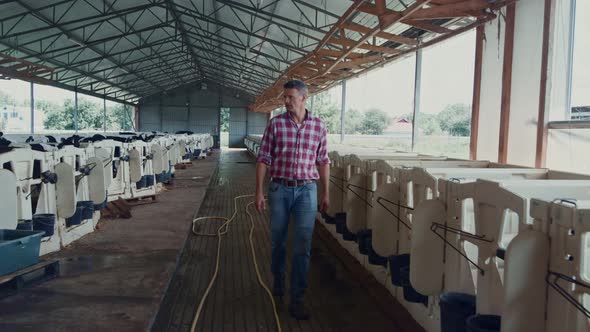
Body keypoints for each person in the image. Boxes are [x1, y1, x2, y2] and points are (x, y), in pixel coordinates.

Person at [255, 79, 330, 320]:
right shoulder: (276, 124)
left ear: (304, 98)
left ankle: (297, 297)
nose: (286, 101)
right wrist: (259, 191)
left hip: (307, 190)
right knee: (278, 241)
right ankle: (278, 280)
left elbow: (323, 160)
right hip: (279, 189)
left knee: (303, 246)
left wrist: (325, 192)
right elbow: (264, 158)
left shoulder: (319, 126)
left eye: (290, 97)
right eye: (284, 97)